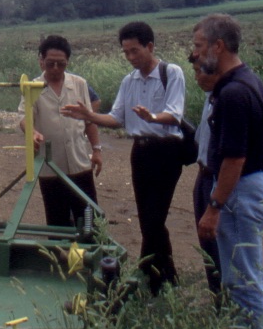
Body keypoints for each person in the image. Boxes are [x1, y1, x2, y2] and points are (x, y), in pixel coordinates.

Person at [61, 21, 186, 296]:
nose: (130, 57)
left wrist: (152, 117)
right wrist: (90, 116)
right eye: (126, 52)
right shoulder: (129, 81)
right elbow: (117, 118)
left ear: (150, 46)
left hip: (166, 151)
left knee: (155, 218)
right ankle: (163, 277)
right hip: (140, 152)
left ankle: (152, 275)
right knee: (146, 218)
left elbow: (174, 114)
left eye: (134, 51)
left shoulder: (171, 73)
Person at [193, 14, 263, 329]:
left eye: (199, 46)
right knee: (243, 273)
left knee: (242, 278)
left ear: (219, 46)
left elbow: (234, 158)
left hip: (238, 191)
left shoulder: (234, 94)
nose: (195, 54)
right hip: (249, 186)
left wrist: (214, 207)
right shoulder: (246, 80)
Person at [19, 35, 103, 228]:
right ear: (41, 61)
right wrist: (31, 132)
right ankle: (60, 258)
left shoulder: (79, 84)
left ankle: (90, 256)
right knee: (58, 223)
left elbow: (89, 120)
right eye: (50, 64)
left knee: (90, 220)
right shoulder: (32, 88)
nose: (55, 69)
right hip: (50, 167)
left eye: (61, 64)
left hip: (79, 163)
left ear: (68, 62)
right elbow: (24, 117)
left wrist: (97, 149)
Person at [189, 53, 222, 299]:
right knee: (208, 245)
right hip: (203, 175)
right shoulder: (209, 98)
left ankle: (231, 303)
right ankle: (218, 298)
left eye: (199, 71)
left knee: (222, 244)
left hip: (217, 179)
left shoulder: (227, 99)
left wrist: (215, 205)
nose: (196, 77)